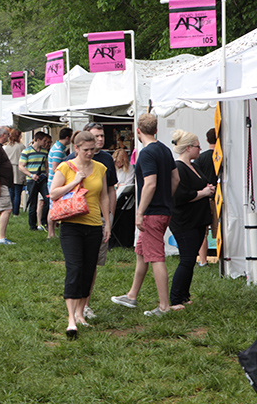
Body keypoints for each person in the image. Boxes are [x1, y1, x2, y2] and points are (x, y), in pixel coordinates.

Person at [111, 113, 179, 316]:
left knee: (156, 257)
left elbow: (150, 183)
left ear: (137, 131)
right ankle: (132, 296)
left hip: (152, 213)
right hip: (163, 210)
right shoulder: (165, 150)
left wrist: (140, 213)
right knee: (141, 253)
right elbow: (175, 179)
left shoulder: (147, 153)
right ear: (156, 130)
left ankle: (164, 306)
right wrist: (166, 198)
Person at [50, 131, 111, 339]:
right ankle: (71, 319)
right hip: (71, 225)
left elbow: (103, 196)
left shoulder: (101, 168)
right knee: (74, 268)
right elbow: (54, 193)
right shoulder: (65, 167)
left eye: (92, 150)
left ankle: (81, 312)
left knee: (88, 270)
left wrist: (107, 223)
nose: (90, 153)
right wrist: (75, 181)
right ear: (76, 148)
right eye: (86, 150)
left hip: (94, 224)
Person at [65, 122, 117, 319]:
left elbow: (109, 190)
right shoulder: (70, 162)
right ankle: (75, 310)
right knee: (76, 266)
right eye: (95, 137)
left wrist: (109, 216)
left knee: (91, 265)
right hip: (74, 221)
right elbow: (56, 192)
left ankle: (85, 304)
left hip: (98, 220)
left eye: (101, 137)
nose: (99, 142)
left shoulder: (104, 162)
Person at [168, 130, 214, 308]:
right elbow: (180, 196)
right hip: (184, 221)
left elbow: (199, 185)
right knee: (187, 260)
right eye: (197, 146)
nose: (200, 149)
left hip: (196, 220)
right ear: (188, 148)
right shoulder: (179, 168)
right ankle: (175, 299)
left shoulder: (193, 166)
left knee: (190, 259)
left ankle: (184, 296)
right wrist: (202, 193)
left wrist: (206, 188)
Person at [193, 128, 217, 266]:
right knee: (223, 228)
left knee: (203, 231)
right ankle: (225, 258)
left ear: (207, 140)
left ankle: (203, 260)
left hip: (205, 198)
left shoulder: (200, 158)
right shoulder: (223, 156)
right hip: (222, 198)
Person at [19, 131, 50, 231]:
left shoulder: (44, 152)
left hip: (42, 179)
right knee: (33, 202)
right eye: (44, 141)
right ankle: (32, 226)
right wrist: (31, 175)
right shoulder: (26, 151)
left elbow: (46, 166)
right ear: (38, 140)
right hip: (31, 181)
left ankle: (43, 222)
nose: (46, 143)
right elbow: (21, 166)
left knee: (47, 199)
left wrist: (48, 176)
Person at [47, 128, 73, 239]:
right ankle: (51, 233)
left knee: (53, 207)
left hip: (54, 182)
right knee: (52, 207)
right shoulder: (58, 150)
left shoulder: (59, 148)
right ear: (67, 137)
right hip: (55, 183)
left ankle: (52, 232)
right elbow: (55, 168)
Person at [3, 129, 26, 215]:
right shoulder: (21, 146)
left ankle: (10, 210)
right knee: (17, 193)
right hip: (18, 170)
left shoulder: (7, 146)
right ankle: (15, 212)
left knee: (11, 192)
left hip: (9, 170)